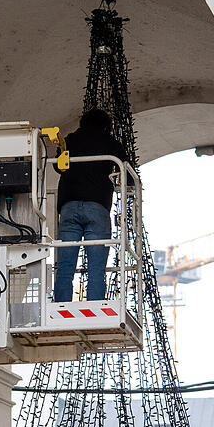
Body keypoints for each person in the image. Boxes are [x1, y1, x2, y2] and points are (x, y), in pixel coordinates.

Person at [53, 108, 130, 302]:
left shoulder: (70, 140)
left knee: (65, 266)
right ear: (106, 126)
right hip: (97, 207)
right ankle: (95, 306)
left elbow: (57, 166)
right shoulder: (110, 142)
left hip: (69, 206)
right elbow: (127, 172)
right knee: (96, 268)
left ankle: (61, 306)